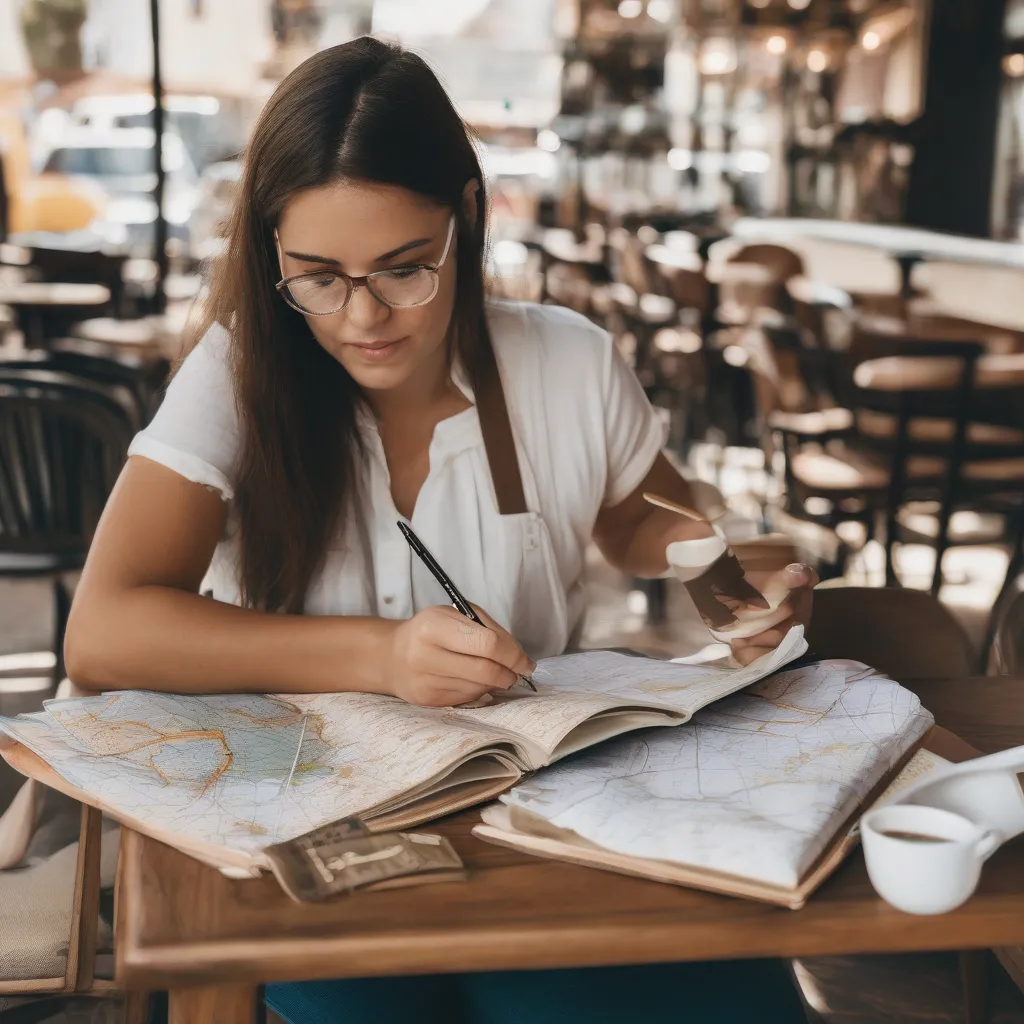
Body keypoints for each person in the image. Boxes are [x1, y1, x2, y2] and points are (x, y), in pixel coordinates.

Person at [64, 37, 816, 1024]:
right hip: (306, 833)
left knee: (726, 990)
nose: (362, 316)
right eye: (318, 276)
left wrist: (721, 579)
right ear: (269, 254)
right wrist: (381, 655)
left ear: (466, 213)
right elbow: (105, 629)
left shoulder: (567, 361)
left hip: (532, 825)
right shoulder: (238, 368)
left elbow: (637, 515)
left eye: (404, 268)